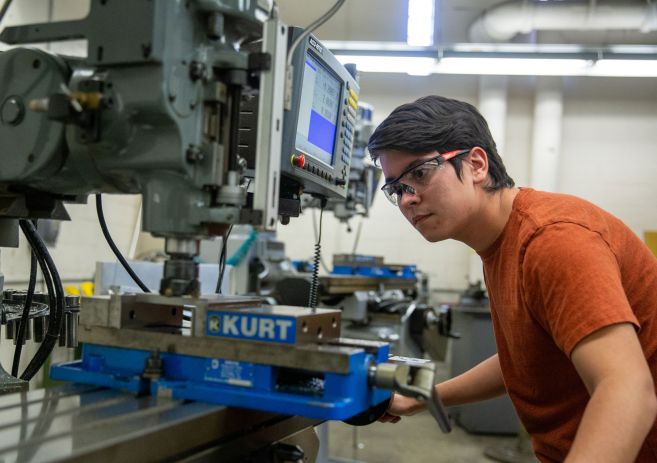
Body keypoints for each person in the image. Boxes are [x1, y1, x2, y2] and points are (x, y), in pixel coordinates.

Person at [367, 95, 657, 462]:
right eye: (397, 188)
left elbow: (627, 390)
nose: (407, 199)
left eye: (419, 174)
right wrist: (427, 395)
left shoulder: (553, 240)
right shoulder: (501, 244)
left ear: (475, 164)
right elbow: (527, 357)